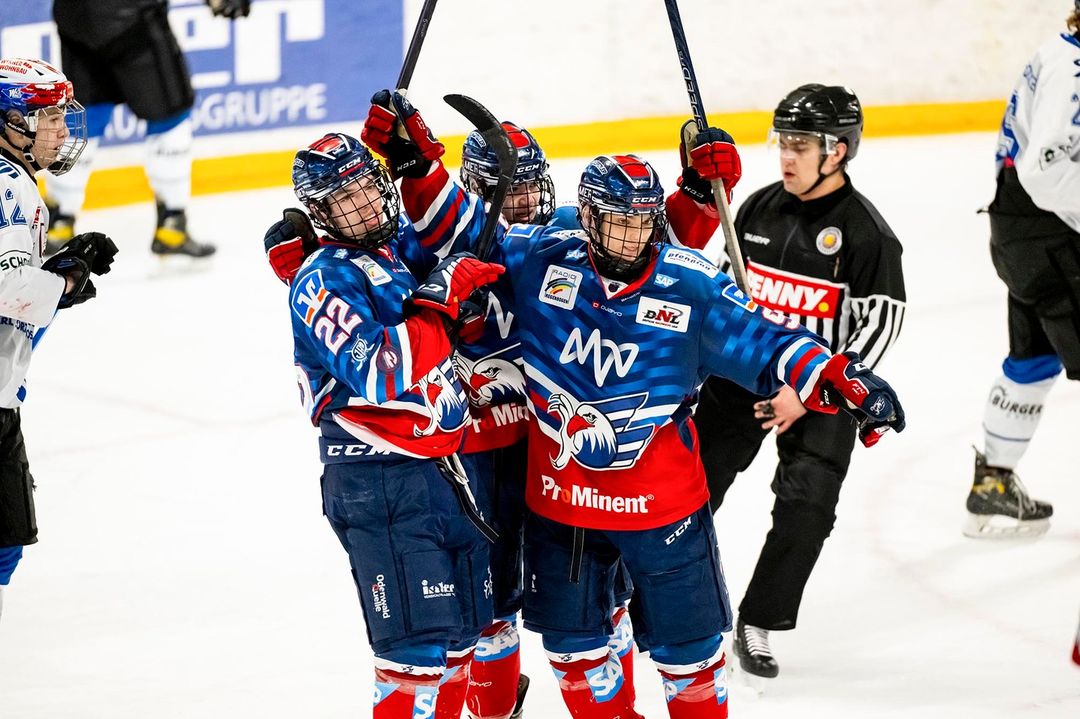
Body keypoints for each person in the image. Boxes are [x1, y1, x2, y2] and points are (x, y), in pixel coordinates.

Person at [487, 149, 904, 718]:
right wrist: (411, 175)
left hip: (662, 509)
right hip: (564, 509)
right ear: (587, 219)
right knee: (573, 651)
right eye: (617, 221)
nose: (632, 237)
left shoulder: (691, 284)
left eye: (642, 220)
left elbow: (766, 339)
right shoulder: (539, 258)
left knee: (691, 663)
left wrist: (834, 373)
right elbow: (454, 251)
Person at [272, 110, 511, 718]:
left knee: (460, 645)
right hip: (377, 481)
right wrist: (439, 302)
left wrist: (418, 167)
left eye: (367, 186)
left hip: (441, 472)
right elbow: (380, 371)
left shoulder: (395, 251)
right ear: (321, 214)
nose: (365, 204)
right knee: (414, 659)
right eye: (343, 199)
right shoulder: (321, 279)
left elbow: (471, 248)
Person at [689, 84, 906, 681]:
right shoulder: (758, 208)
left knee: (807, 508)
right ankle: (657, 598)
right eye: (783, 141)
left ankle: (758, 619)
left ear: (837, 151)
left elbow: (878, 331)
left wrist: (809, 391)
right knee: (692, 489)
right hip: (742, 379)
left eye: (801, 144)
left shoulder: (868, 238)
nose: (786, 156)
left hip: (823, 393)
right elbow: (720, 291)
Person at [0, 58, 117, 619]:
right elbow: (5, 286)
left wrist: (56, 268)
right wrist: (64, 281)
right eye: (41, 117)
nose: (58, 129)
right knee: (3, 543)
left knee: (5, 541)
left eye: (57, 116)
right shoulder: (9, 185)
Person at [962, 2, 1080, 539]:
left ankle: (993, 485)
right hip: (1050, 231)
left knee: (1034, 357)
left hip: (1023, 229)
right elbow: (1049, 169)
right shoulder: (1072, 68)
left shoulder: (1058, 51)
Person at [44, 0, 251, 258]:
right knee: (170, 114)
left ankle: (58, 223)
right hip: (133, 19)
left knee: (86, 116)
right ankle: (172, 226)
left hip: (75, 17)